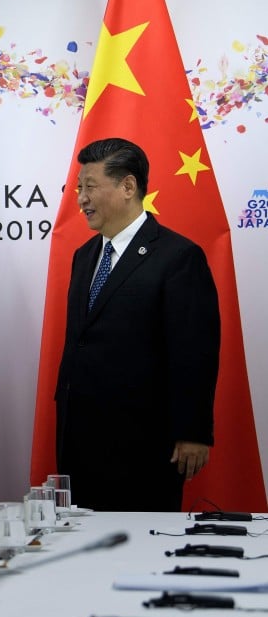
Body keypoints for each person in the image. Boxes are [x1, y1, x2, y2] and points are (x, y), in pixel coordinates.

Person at [54, 137, 219, 512]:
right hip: (78, 437)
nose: (81, 199)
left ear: (128, 186)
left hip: (144, 444)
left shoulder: (178, 257)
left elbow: (194, 352)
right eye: (78, 188)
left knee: (141, 542)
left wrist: (193, 431)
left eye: (90, 187)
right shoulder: (84, 256)